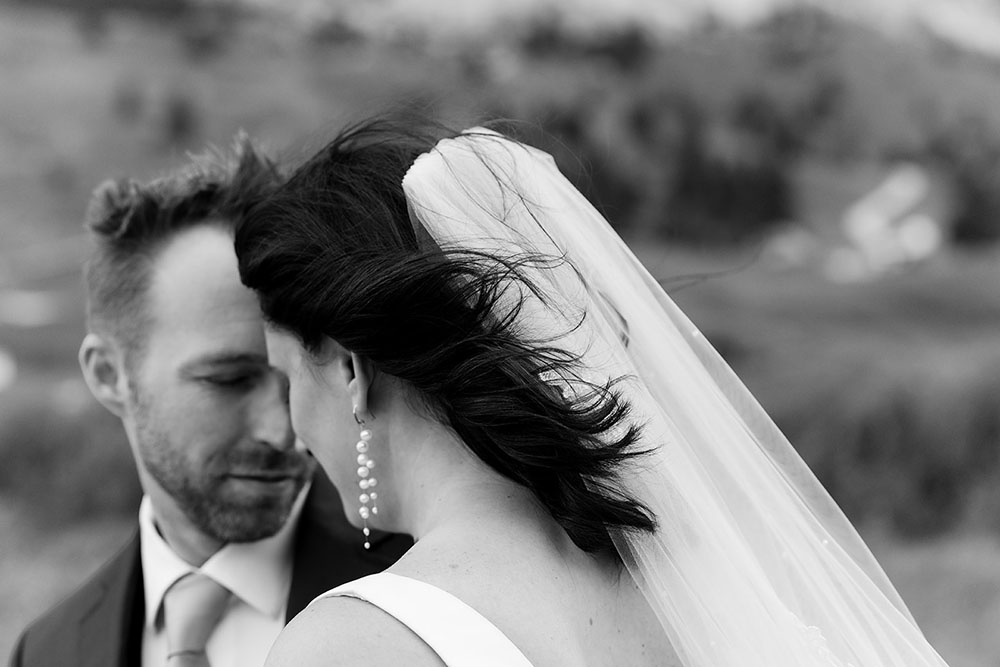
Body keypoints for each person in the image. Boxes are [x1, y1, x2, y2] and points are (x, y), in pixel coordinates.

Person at [234, 119, 951, 666]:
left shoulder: (351, 645)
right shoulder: (701, 593)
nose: (290, 426)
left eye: (285, 376)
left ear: (352, 370)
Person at [9, 136, 411, 667]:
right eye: (228, 381)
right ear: (110, 375)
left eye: (295, 379)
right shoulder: (47, 653)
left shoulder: (412, 588)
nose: (282, 432)